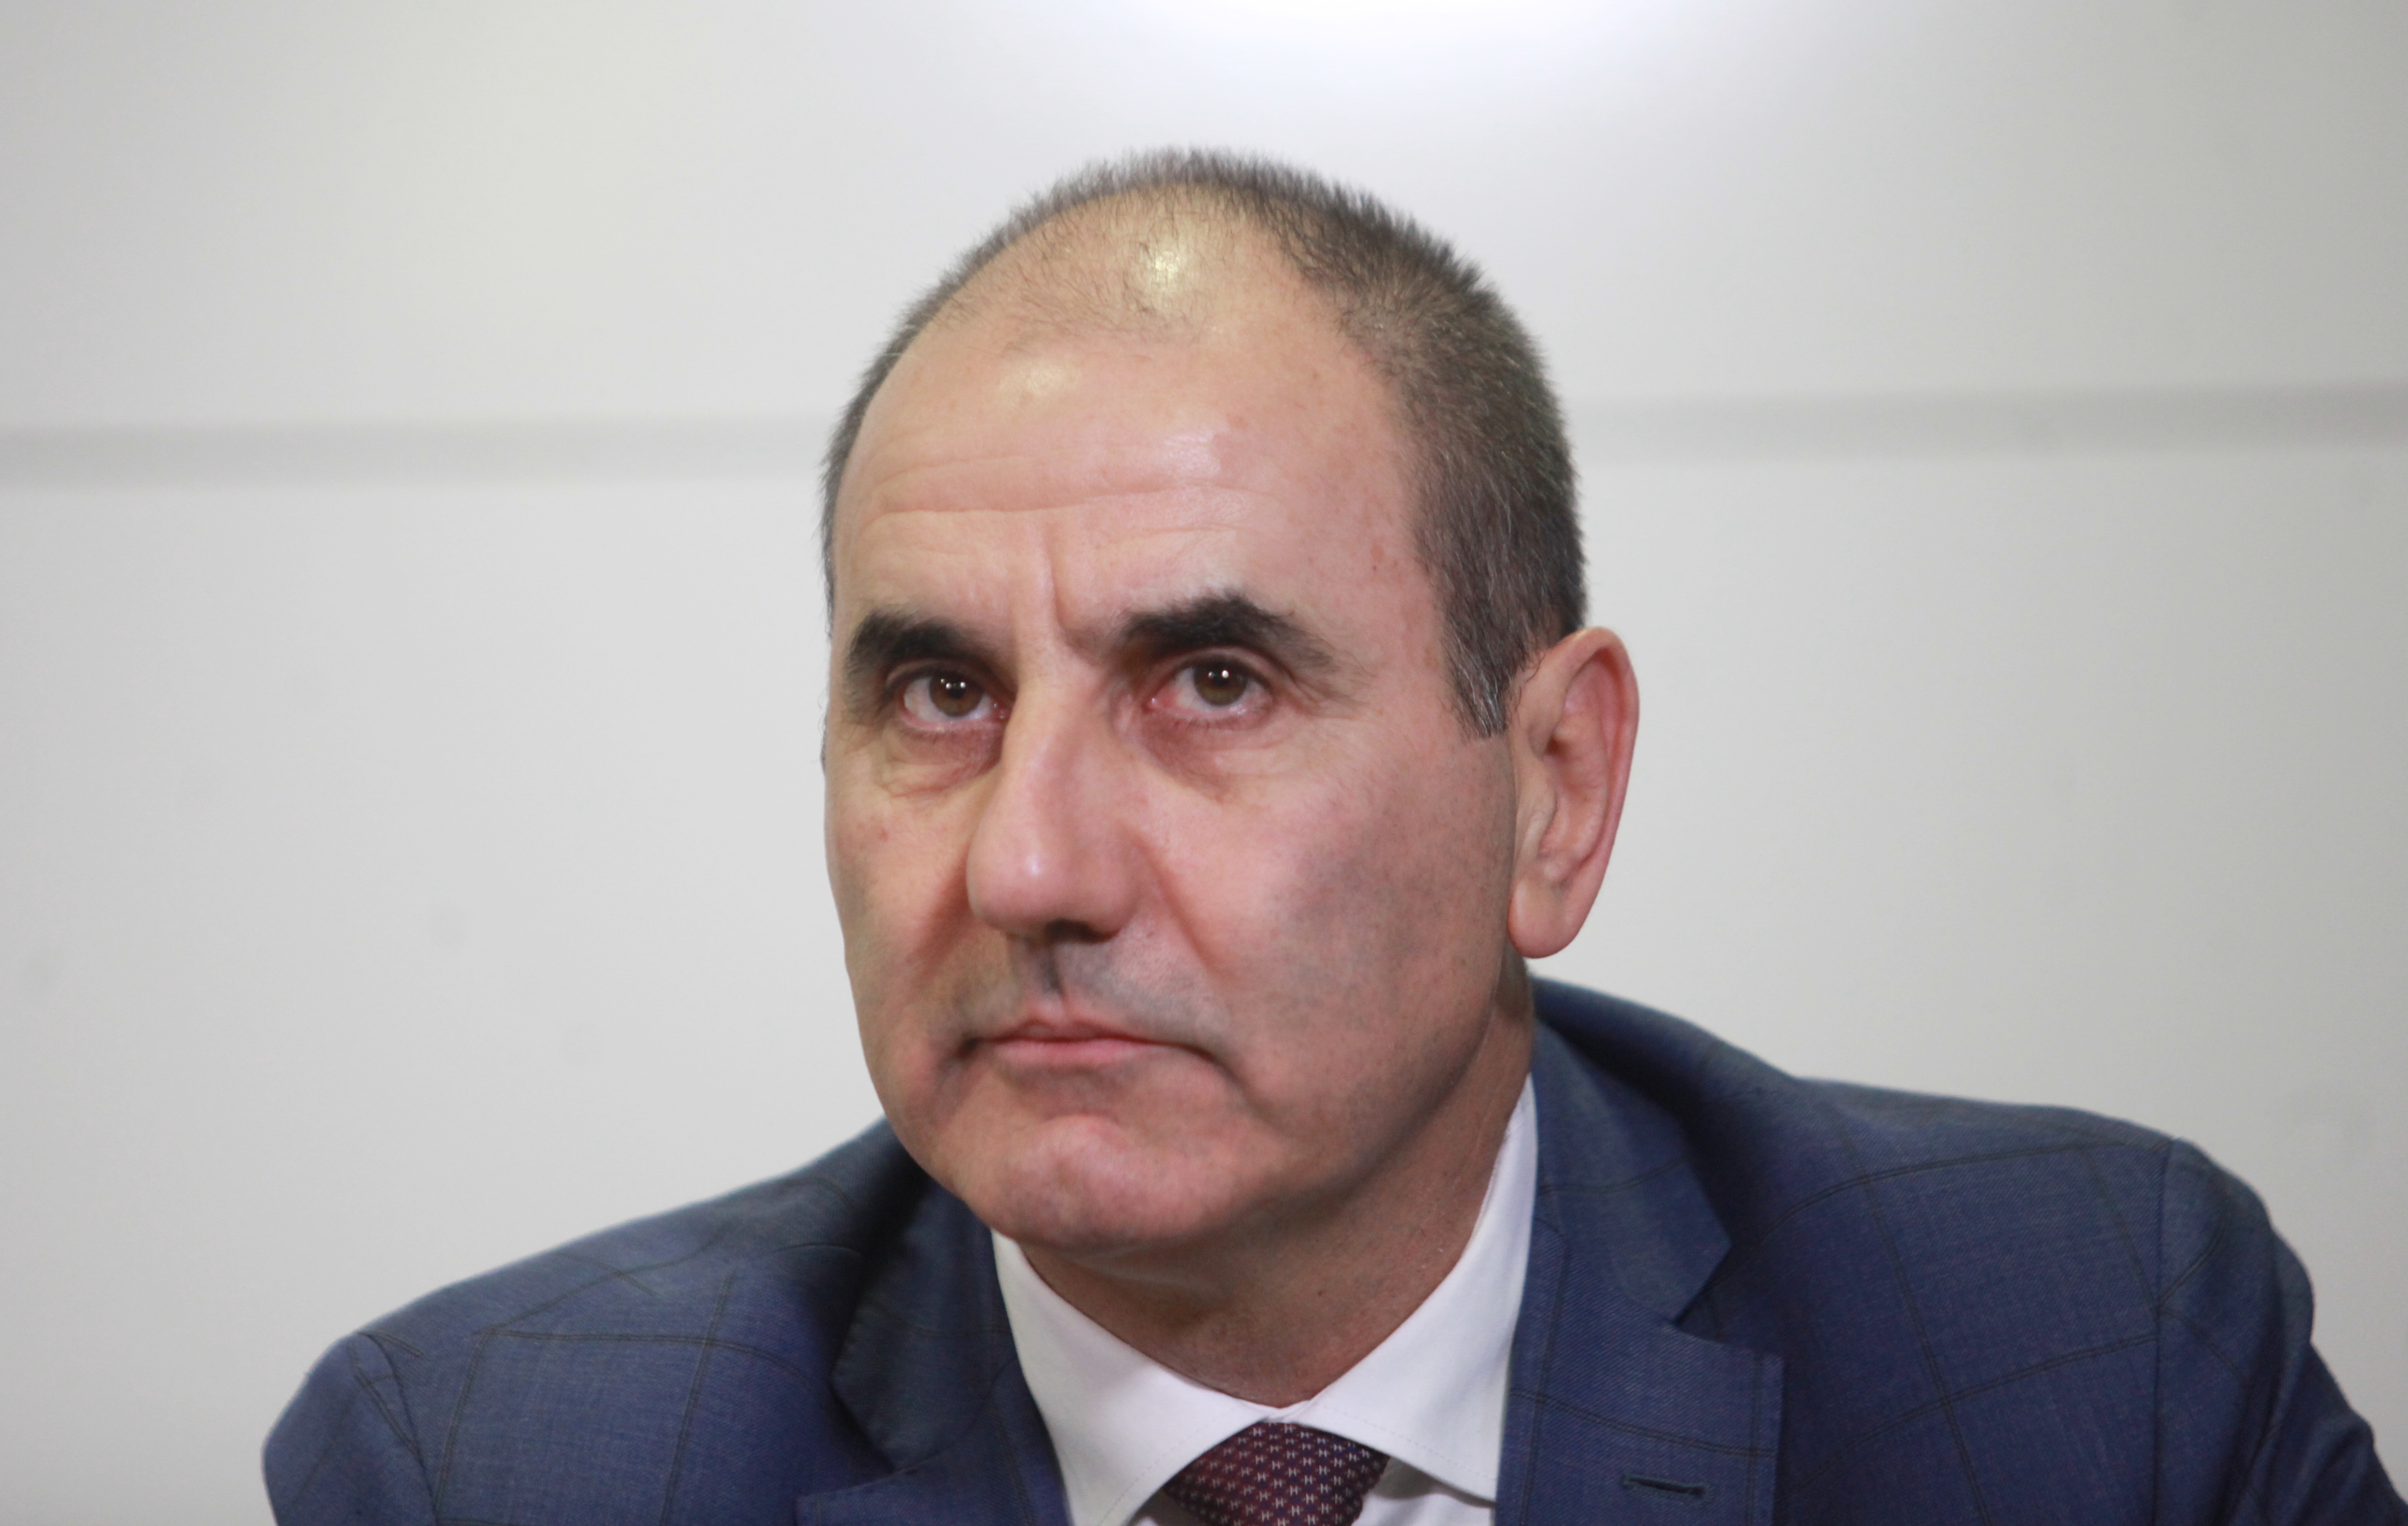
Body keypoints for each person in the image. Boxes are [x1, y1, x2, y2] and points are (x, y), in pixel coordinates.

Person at [265, 150, 2401, 1526]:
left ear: (1550, 790)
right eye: (937, 695)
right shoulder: (487, 1469)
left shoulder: (2087, 1363)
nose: (1028, 872)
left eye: (1212, 684)